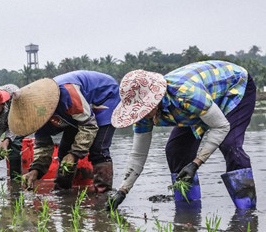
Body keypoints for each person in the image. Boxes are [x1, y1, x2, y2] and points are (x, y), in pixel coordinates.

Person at [106, 60, 257, 211]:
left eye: (144, 108)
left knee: (230, 145)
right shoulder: (142, 116)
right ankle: (188, 212)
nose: (142, 114)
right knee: (176, 151)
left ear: (155, 100)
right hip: (200, 105)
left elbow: (221, 126)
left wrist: (196, 163)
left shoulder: (185, 94)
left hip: (234, 87)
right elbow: (138, 154)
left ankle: (247, 213)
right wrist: (122, 191)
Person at [8, 73, 120, 193]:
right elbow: (43, 146)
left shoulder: (67, 94)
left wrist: (75, 154)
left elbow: (89, 125)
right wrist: (35, 170)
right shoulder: (38, 116)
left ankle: (103, 195)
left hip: (104, 97)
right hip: (78, 113)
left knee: (98, 149)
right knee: (64, 151)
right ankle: (62, 191)